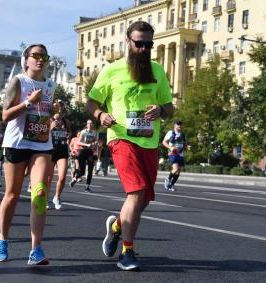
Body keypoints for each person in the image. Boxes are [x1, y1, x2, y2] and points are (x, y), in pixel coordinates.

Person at [86, 21, 174, 271]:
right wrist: (101, 115)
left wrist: (161, 110)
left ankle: (115, 227)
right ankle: (127, 252)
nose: (144, 49)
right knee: (136, 193)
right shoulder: (112, 71)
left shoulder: (158, 71)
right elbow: (91, 103)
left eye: (149, 44)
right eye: (139, 44)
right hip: (121, 138)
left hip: (149, 141)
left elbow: (169, 107)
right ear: (128, 42)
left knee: (143, 198)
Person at [0, 43, 57, 265]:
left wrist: (55, 111)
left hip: (41, 144)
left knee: (39, 193)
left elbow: (47, 114)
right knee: (12, 194)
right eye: (35, 56)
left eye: (44, 56)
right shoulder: (18, 81)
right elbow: (5, 115)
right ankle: (3, 238)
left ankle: (36, 249)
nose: (40, 60)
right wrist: (28, 103)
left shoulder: (51, 85)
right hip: (16, 144)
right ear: (27, 59)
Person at [47, 101, 71, 210]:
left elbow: (69, 134)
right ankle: (45, 198)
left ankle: (57, 197)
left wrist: (68, 136)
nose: (60, 111)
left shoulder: (66, 122)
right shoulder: (49, 120)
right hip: (51, 150)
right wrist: (51, 128)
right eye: (58, 109)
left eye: (62, 109)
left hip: (62, 150)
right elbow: (42, 134)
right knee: (48, 178)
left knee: (62, 177)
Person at [69, 120, 98, 193]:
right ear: (87, 125)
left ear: (93, 125)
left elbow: (96, 141)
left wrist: (94, 144)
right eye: (89, 123)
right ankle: (75, 179)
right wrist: (86, 145)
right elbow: (78, 142)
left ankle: (87, 187)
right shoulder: (83, 132)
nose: (90, 124)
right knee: (82, 171)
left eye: (91, 123)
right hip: (82, 151)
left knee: (90, 169)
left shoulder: (95, 133)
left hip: (90, 151)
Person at [162, 120, 186, 191]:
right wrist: (170, 147)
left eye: (180, 124)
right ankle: (167, 180)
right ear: (175, 125)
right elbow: (164, 142)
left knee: (178, 172)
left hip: (180, 154)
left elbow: (184, 144)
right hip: (173, 153)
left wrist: (186, 147)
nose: (180, 126)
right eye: (178, 124)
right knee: (175, 169)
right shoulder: (170, 132)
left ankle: (171, 185)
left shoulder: (182, 134)